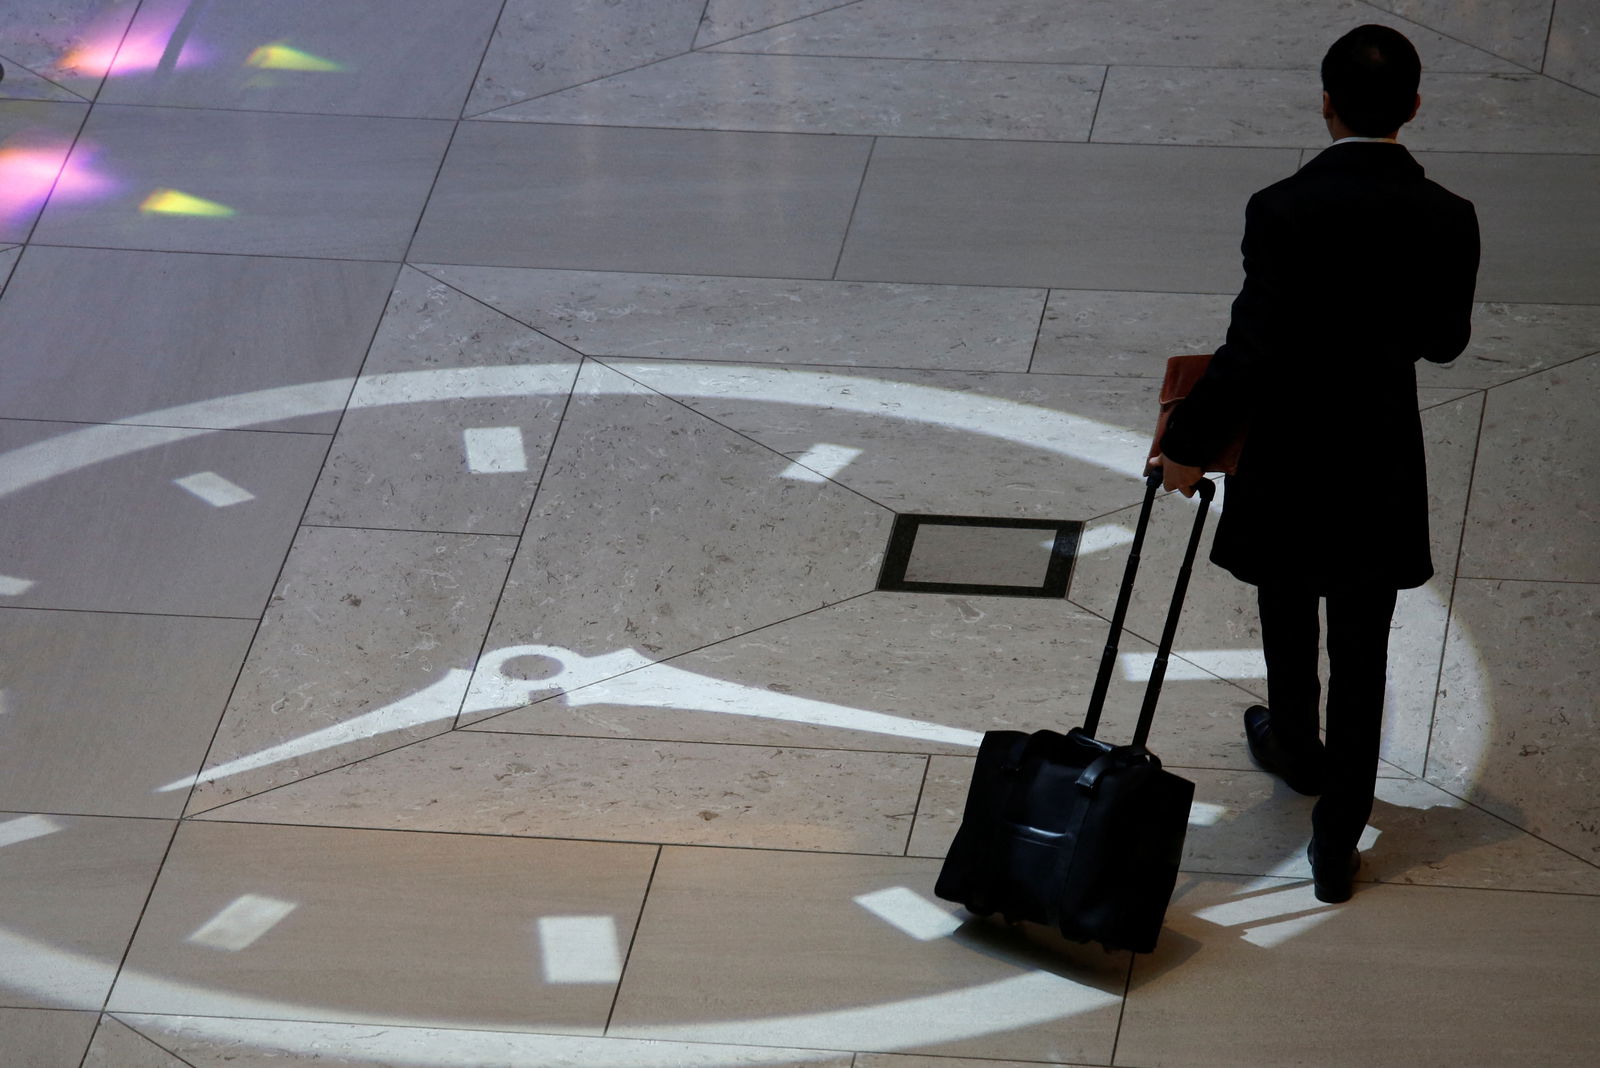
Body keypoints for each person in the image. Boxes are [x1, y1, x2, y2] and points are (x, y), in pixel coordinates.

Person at [1154, 24, 1480, 903]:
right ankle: (1337, 842)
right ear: (1413, 107)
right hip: (1376, 452)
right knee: (1364, 650)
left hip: (1289, 451)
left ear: (1325, 102)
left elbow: (1251, 351)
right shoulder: (1448, 217)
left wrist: (1184, 447)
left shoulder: (1281, 208)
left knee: (1287, 607)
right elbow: (1445, 343)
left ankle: (1296, 745)